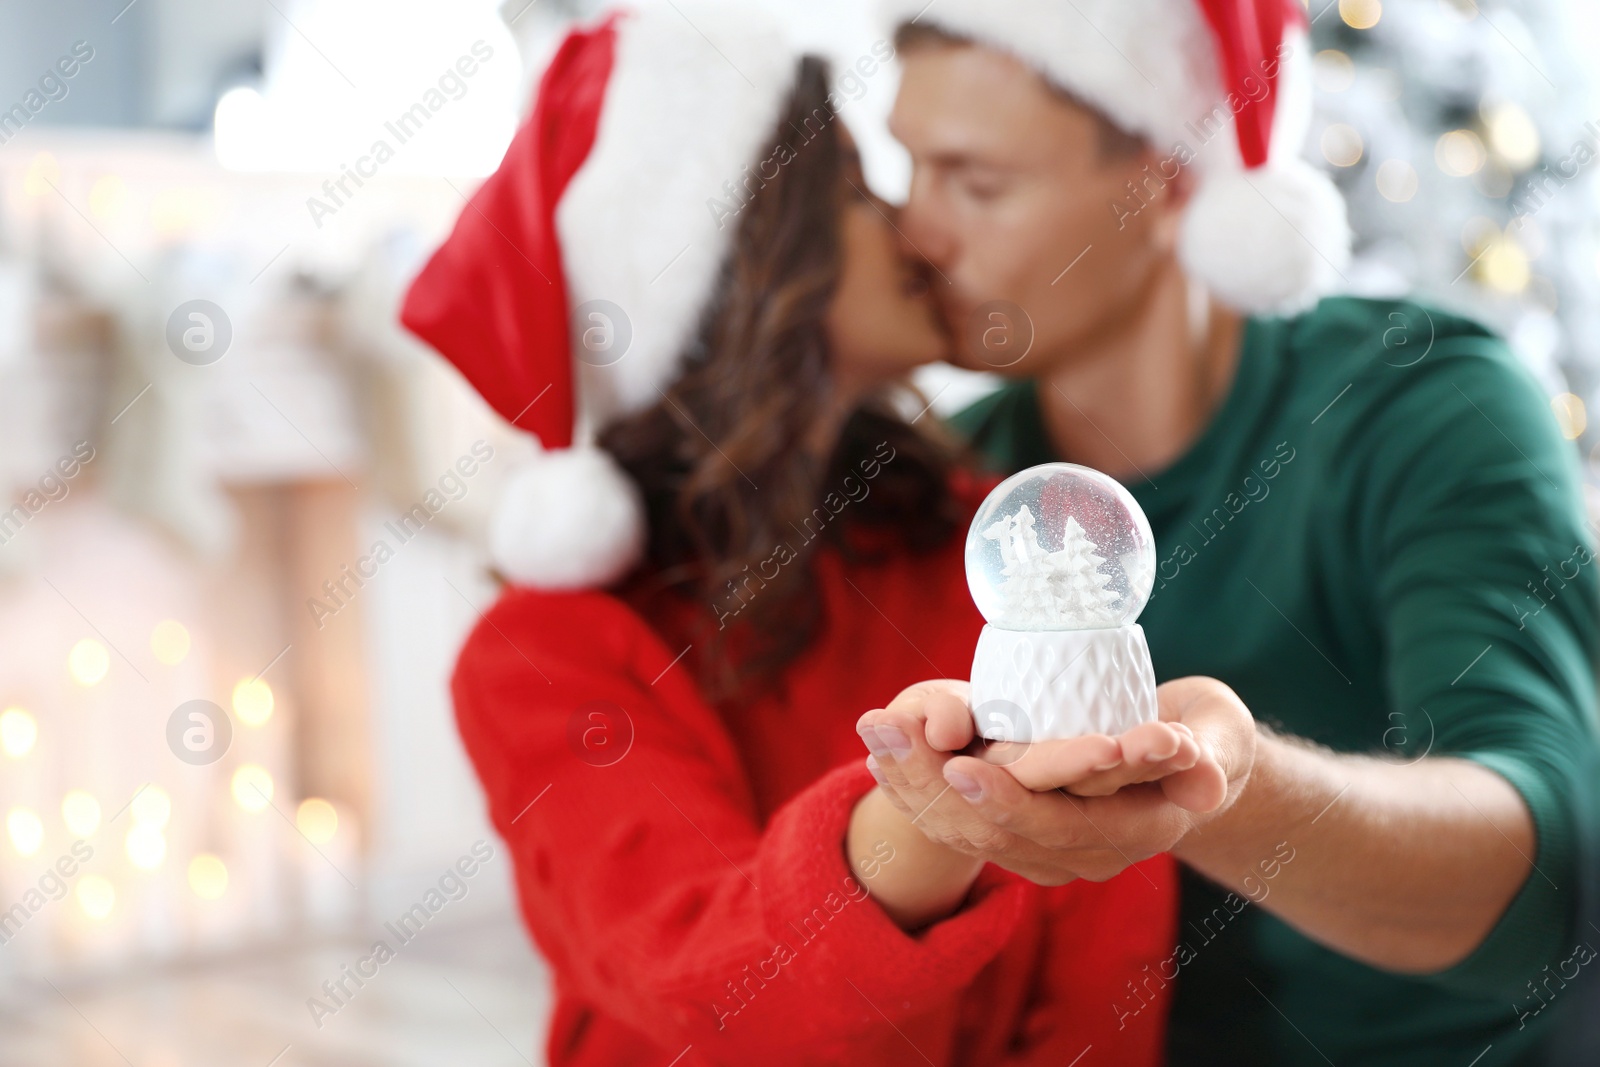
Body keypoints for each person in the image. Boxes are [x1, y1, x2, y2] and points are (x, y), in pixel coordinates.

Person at [401, 7, 1221, 1065]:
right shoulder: (545, 652)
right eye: (852, 189)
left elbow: (1103, 971)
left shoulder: (989, 549)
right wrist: (944, 806)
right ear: (743, 261)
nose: (917, 230)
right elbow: (727, 991)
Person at [855, 1, 1600, 1064]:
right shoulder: (955, 486)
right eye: (911, 170)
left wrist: (1221, 788)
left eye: (976, 183)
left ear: (1168, 182)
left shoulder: (1425, 409)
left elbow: (1547, 886)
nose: (917, 233)